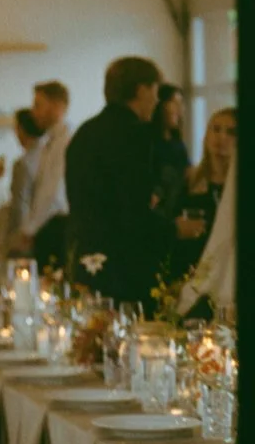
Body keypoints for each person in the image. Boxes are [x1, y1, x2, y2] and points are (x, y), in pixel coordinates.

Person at [66, 57, 173, 304]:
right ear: (141, 90)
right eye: (155, 91)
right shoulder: (135, 135)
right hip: (124, 263)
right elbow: (133, 211)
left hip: (85, 251)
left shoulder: (85, 132)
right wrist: (174, 229)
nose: (157, 100)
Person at [165, 107, 235, 279]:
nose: (221, 137)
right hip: (189, 268)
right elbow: (170, 219)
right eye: (216, 129)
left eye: (231, 132)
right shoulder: (189, 179)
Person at [17, 80, 72, 273]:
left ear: (57, 106)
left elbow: (51, 193)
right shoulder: (48, 143)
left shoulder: (65, 143)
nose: (34, 112)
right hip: (47, 225)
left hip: (56, 227)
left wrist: (29, 229)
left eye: (38, 105)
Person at [0, 108, 44, 259]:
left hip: (26, 235)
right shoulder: (48, 156)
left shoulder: (23, 164)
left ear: (21, 130)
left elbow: (19, 205)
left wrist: (13, 239)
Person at [150, 83, 192, 211]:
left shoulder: (178, 144)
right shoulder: (149, 143)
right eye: (174, 103)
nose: (180, 109)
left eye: (181, 103)